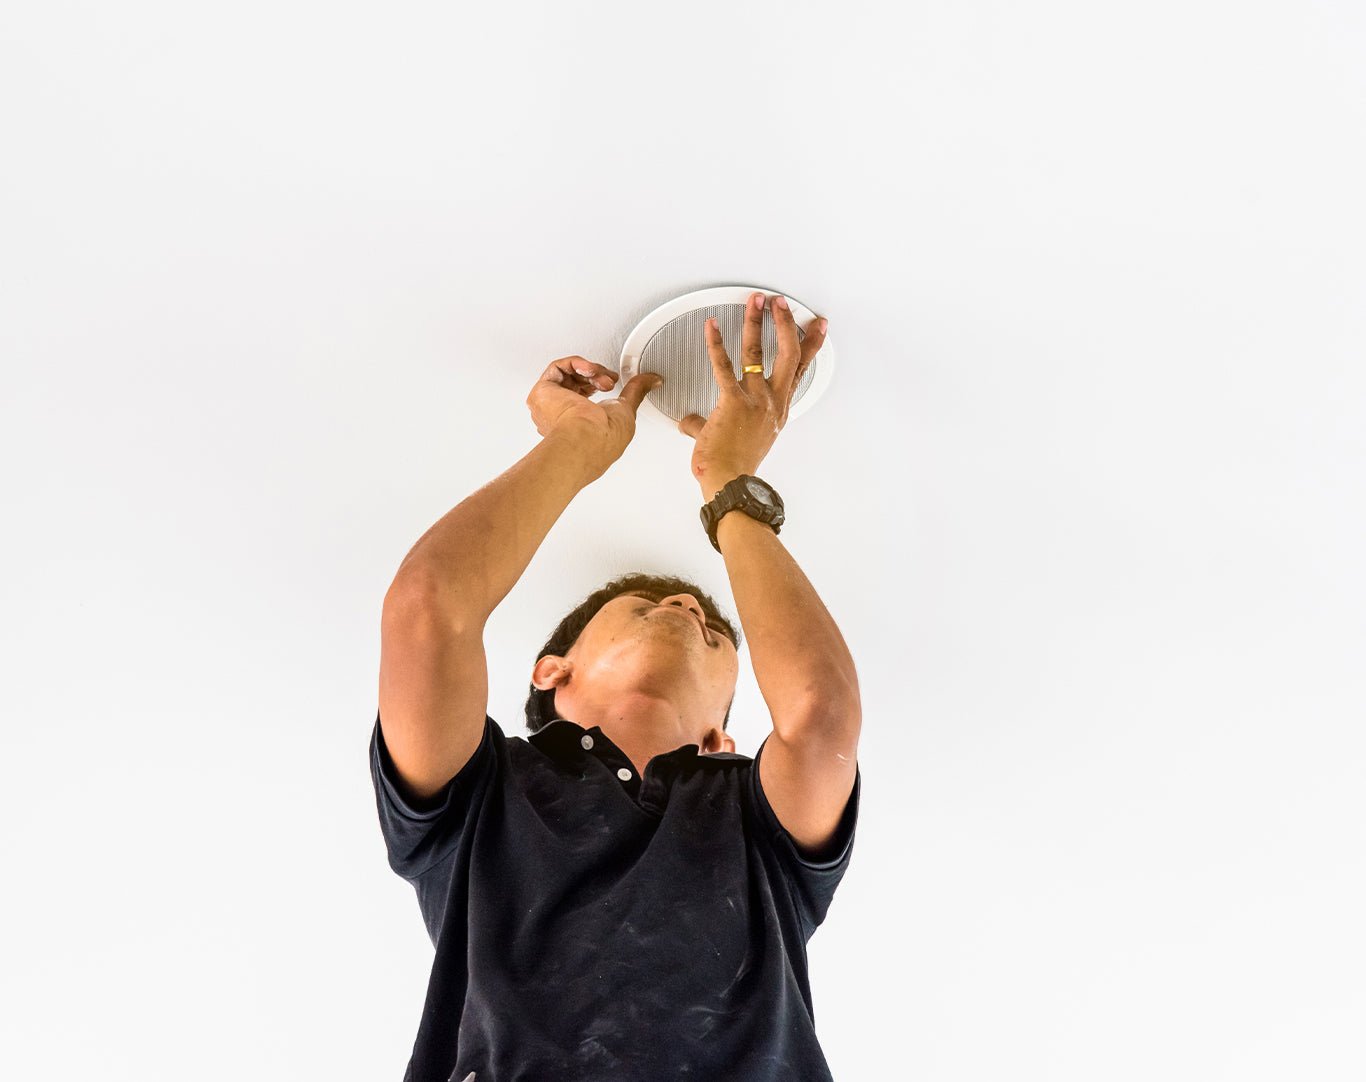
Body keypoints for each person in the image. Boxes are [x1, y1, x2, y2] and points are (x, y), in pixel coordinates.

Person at [370, 292, 861, 1081]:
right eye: (645, 604)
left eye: (710, 627)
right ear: (551, 670)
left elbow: (820, 716)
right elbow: (427, 611)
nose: (687, 606)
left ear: (721, 738)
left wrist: (728, 481)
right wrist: (577, 442)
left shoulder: (754, 822)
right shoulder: (476, 799)